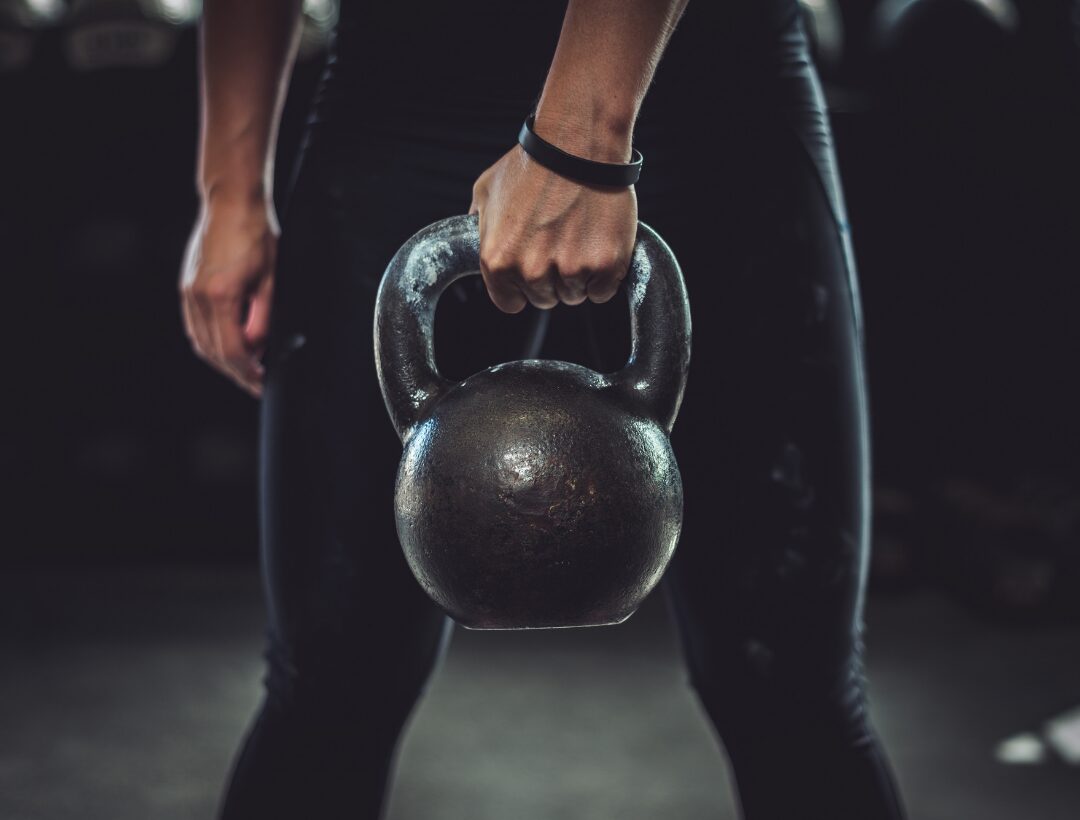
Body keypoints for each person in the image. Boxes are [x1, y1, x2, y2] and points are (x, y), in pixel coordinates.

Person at [179, 1, 907, 818]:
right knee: (330, 675)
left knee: (790, 684)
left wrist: (582, 141)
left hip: (709, 90)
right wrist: (230, 192)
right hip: (404, 94)